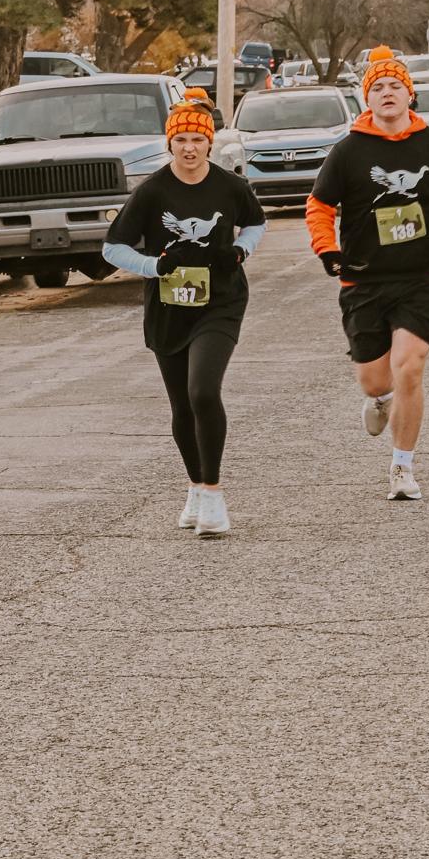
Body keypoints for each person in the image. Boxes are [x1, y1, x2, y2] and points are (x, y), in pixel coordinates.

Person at [102, 88, 266, 537]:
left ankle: (213, 494)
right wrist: (153, 266)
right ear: (169, 143)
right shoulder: (153, 191)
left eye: (197, 140)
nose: (189, 148)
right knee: (181, 405)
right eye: (181, 140)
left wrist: (240, 250)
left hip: (221, 301)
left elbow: (256, 222)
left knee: (203, 392)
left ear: (209, 142)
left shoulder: (230, 186)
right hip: (169, 308)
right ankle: (194, 485)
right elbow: (113, 248)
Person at [306, 46, 429, 501]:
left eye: (395, 86)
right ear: (366, 98)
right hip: (363, 279)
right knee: (376, 379)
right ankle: (380, 398)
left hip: (421, 277)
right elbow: (319, 205)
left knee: (409, 367)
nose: (387, 93)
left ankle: (402, 467)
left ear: (409, 95)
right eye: (378, 87)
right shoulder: (348, 150)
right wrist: (327, 250)